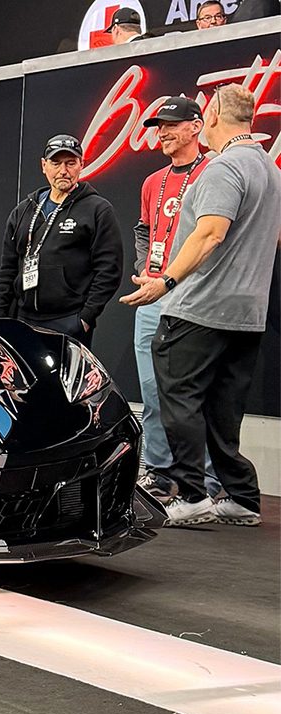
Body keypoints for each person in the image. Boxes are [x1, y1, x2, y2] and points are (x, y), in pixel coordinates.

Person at [120, 84, 281, 527]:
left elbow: (210, 233)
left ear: (209, 118)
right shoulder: (269, 170)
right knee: (222, 408)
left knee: (178, 399)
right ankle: (242, 497)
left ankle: (191, 495)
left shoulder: (224, 166)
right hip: (247, 314)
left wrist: (166, 280)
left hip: (200, 306)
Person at [129, 97, 215, 502]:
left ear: (196, 126)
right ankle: (159, 474)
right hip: (152, 295)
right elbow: (144, 229)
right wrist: (144, 266)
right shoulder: (152, 181)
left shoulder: (215, 171)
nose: (162, 132)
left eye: (171, 124)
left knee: (198, 392)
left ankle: (210, 481)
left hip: (195, 293)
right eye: (158, 126)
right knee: (151, 390)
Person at [0, 134, 122, 345]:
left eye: (70, 163)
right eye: (55, 163)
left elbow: (109, 270)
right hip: (23, 319)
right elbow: (7, 269)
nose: (63, 171)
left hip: (69, 321)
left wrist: (85, 318)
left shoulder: (97, 209)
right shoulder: (23, 211)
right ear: (44, 165)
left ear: (81, 165)